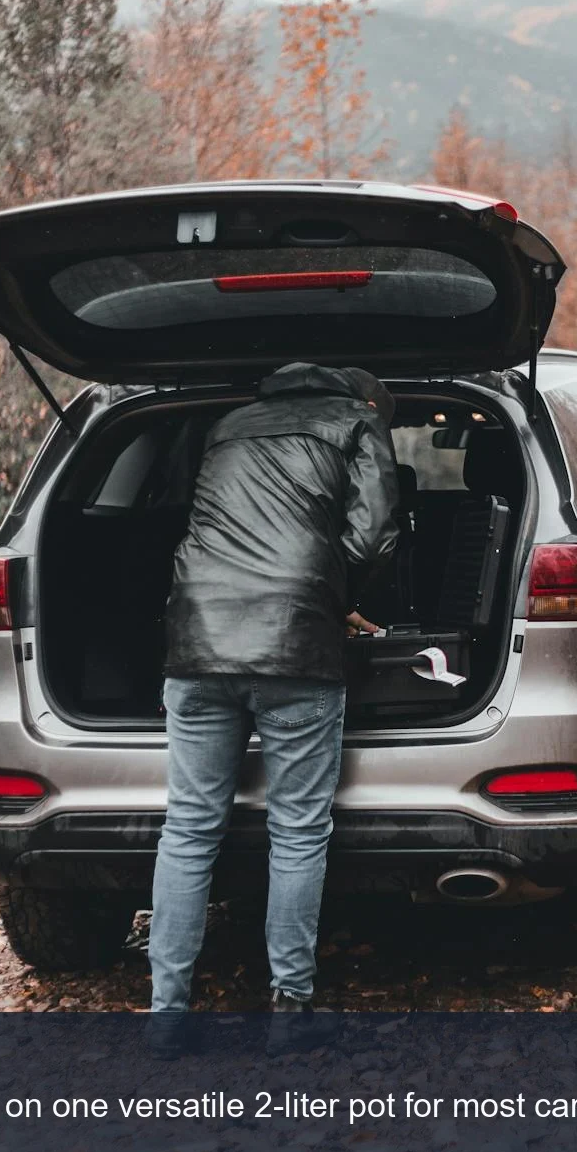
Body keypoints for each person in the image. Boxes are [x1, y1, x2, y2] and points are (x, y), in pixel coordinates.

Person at [146, 362, 399, 1057]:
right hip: (296, 643)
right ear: (360, 392)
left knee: (190, 827)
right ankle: (291, 1008)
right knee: (297, 828)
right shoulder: (358, 420)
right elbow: (374, 535)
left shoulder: (226, 426)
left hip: (196, 637)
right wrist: (329, 591)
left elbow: (181, 516)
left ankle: (166, 1012)